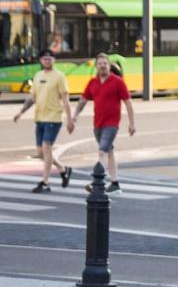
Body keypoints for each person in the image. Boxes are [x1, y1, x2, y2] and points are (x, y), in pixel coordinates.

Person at [71, 52, 136, 194]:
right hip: (97, 124)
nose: (102, 66)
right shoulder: (92, 83)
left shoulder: (117, 81)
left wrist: (132, 123)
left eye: (105, 64)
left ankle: (97, 182)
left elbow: (128, 103)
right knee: (109, 151)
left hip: (112, 124)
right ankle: (115, 183)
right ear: (96, 66)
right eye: (99, 64)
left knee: (102, 151)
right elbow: (82, 101)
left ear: (109, 65)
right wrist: (74, 116)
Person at [12, 49, 74, 193]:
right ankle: (62, 169)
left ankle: (45, 182)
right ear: (40, 60)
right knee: (41, 153)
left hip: (54, 118)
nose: (47, 61)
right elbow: (32, 98)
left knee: (47, 149)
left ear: (54, 60)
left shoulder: (59, 76)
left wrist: (70, 119)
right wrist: (21, 112)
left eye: (50, 58)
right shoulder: (38, 75)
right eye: (44, 59)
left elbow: (65, 99)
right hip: (39, 118)